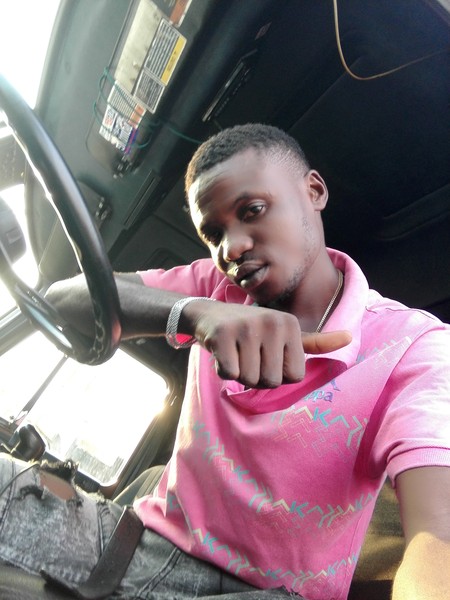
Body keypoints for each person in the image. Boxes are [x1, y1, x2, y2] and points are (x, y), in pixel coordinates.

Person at [1, 123, 449, 600]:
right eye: (213, 234)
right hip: (135, 545)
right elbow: (62, 302)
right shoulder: (214, 288)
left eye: (252, 210)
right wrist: (196, 313)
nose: (230, 248)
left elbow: (438, 536)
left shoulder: (414, 345)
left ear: (314, 191)